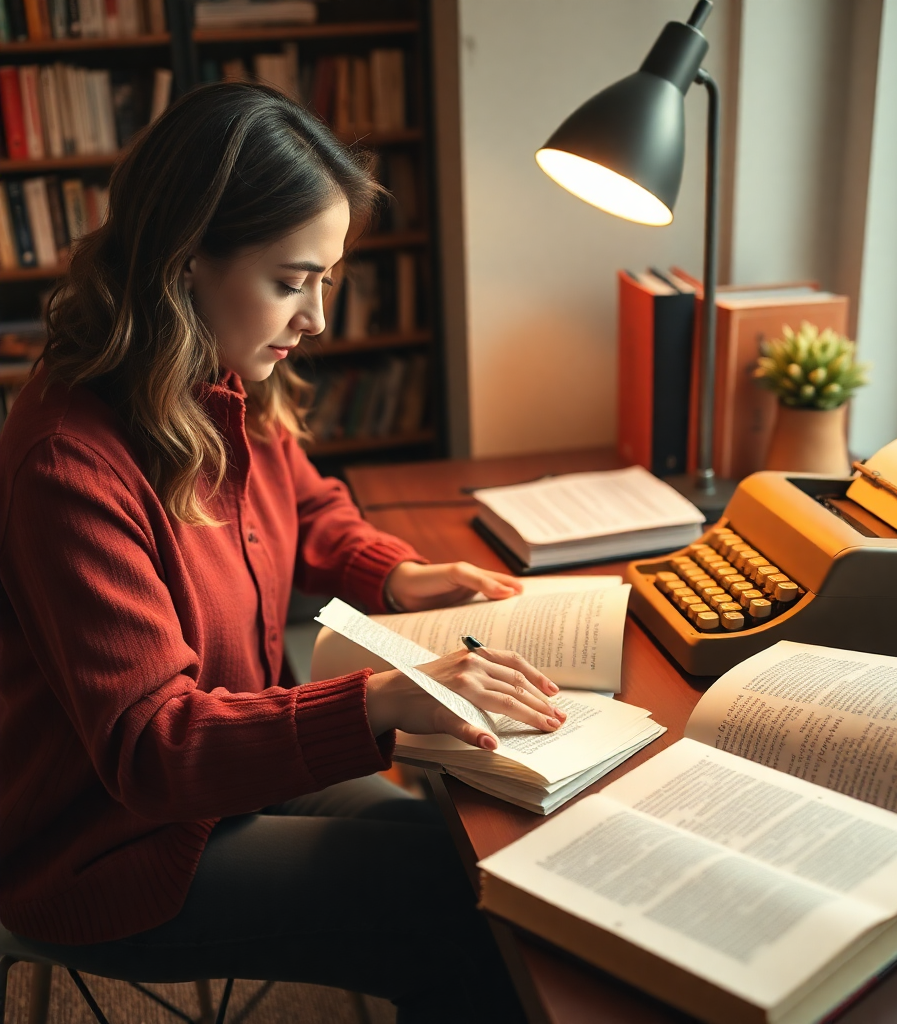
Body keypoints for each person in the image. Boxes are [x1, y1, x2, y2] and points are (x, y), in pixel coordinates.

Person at [0, 83, 564, 1023]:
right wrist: (378, 699)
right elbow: (153, 747)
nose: (316, 321)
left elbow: (301, 501)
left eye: (325, 281)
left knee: (448, 844)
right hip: (109, 844)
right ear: (184, 263)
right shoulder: (72, 462)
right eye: (291, 281)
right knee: (447, 901)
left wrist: (391, 570)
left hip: (226, 782)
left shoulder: (215, 369)